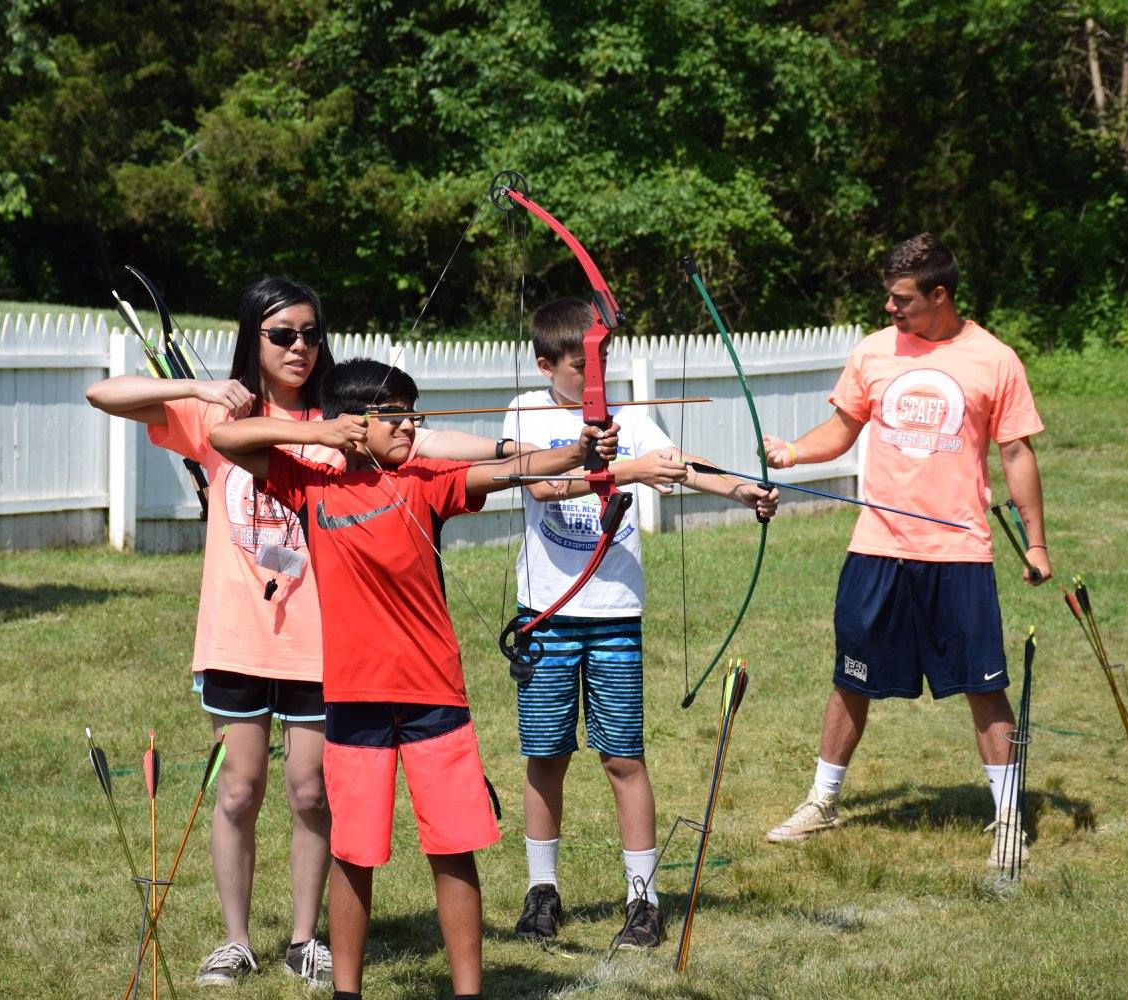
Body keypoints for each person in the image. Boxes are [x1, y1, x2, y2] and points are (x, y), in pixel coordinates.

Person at [85, 277, 528, 987]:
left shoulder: (347, 417)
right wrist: (203, 393)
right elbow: (103, 396)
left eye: (310, 333)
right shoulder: (226, 417)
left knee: (313, 791)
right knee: (238, 789)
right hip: (236, 633)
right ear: (252, 338)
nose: (299, 346)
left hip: (327, 639)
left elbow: (434, 438)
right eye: (281, 333)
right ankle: (236, 940)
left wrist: (516, 446)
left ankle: (304, 937)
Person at [208, 357, 620, 1000]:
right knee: (354, 851)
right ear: (353, 422)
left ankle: (468, 992)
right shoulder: (311, 484)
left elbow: (520, 469)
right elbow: (224, 438)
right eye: (395, 414)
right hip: (353, 697)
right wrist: (318, 434)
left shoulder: (427, 481)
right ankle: (348, 990)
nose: (412, 425)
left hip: (434, 698)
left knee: (454, 849)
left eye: (414, 412)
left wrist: (579, 451)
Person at [759, 233, 1050, 867]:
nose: (891, 310)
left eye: (902, 300)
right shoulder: (873, 352)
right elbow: (841, 428)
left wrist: (1036, 543)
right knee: (850, 679)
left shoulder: (994, 359)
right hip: (877, 548)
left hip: (960, 552)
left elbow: (1017, 453)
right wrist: (793, 452)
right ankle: (822, 801)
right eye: (888, 298)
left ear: (939, 295)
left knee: (984, 684)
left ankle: (1006, 818)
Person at [503, 298, 779, 950]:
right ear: (546, 364)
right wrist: (622, 467)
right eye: (581, 367)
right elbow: (542, 488)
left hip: (614, 616)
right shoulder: (525, 411)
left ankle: (642, 902)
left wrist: (743, 489)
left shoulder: (630, 418)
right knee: (546, 756)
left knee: (623, 757)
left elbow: (680, 465)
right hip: (547, 614)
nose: (595, 381)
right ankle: (542, 893)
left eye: (600, 365)